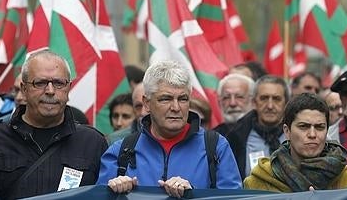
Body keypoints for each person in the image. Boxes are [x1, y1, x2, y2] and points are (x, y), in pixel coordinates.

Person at [97, 60, 242, 196]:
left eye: (183, 99)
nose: (176, 107)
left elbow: (233, 198)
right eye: (165, 99)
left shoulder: (216, 147)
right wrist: (113, 194)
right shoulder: (120, 150)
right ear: (147, 104)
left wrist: (193, 195)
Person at [0, 50, 108, 199]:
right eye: (40, 83)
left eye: (59, 83)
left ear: (68, 88)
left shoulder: (93, 143)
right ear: (24, 89)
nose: (50, 91)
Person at [244, 93, 347, 191]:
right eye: (303, 126)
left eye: (319, 127)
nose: (312, 134)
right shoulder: (258, 182)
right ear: (287, 131)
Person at [226, 75, 289, 180]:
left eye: (276, 99)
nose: (270, 106)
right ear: (254, 102)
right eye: (264, 98)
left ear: (286, 103)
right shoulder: (236, 137)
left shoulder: (296, 135)